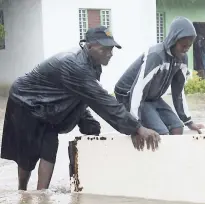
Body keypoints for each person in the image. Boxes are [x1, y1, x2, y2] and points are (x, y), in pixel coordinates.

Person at [0, 26, 160, 191]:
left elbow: (81, 95)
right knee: (28, 154)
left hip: (51, 107)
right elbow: (102, 101)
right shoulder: (74, 64)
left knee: (50, 147)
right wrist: (137, 127)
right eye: (104, 49)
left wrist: (88, 123)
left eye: (112, 49)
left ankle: (42, 196)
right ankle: (22, 192)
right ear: (89, 46)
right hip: (26, 101)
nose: (110, 53)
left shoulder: (93, 64)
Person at [114, 17, 205, 137]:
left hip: (152, 97)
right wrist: (136, 126)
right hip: (129, 95)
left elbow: (178, 92)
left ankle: (172, 156)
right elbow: (139, 88)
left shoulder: (182, 58)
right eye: (183, 46)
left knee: (177, 128)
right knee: (162, 133)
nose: (186, 49)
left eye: (189, 46)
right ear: (174, 40)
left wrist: (188, 121)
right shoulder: (156, 56)